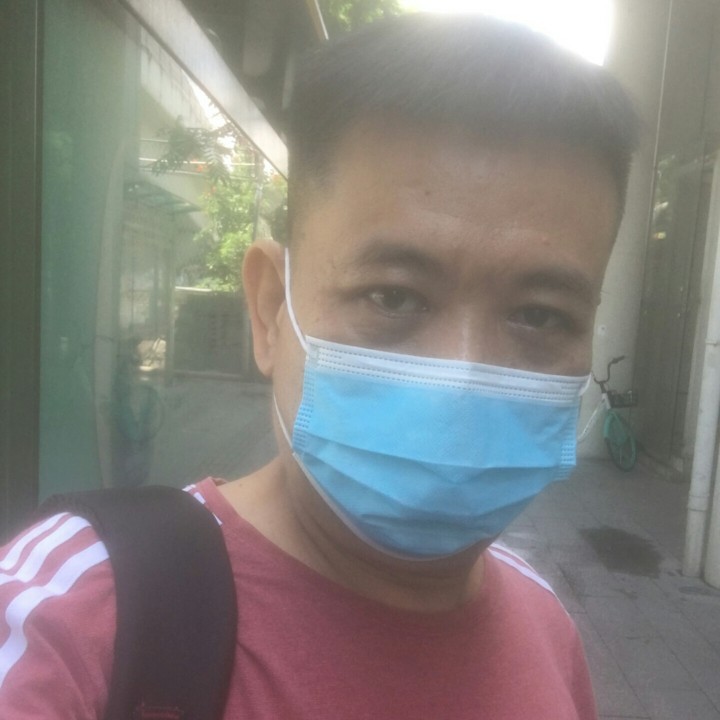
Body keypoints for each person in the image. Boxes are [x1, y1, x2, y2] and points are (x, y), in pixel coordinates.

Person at [0, 13, 638, 719]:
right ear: (270, 310)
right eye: (392, 296)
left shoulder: (549, 632)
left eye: (540, 315)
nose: (460, 377)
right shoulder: (78, 619)